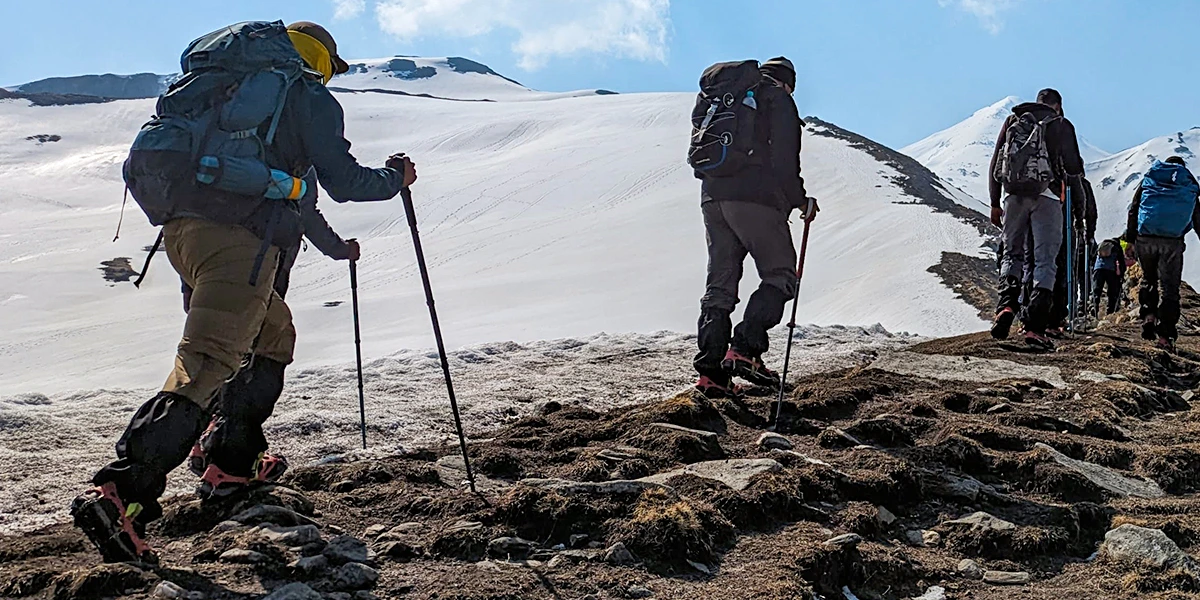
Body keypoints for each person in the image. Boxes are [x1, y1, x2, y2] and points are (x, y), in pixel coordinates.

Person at [71, 20, 417, 564]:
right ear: (321, 60)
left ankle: (231, 459)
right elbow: (345, 182)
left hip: (183, 235)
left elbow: (298, 200)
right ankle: (122, 492)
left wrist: (333, 248)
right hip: (239, 244)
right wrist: (396, 179)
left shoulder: (232, 101)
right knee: (208, 363)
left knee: (273, 336)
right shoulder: (304, 95)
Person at [182, 172, 361, 486]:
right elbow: (306, 213)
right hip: (260, 271)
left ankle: (207, 443)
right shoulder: (293, 150)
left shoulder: (231, 145)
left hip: (208, 265)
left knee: (221, 351)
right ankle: (234, 463)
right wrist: (339, 249)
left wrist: (189, 284)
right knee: (260, 355)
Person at [692, 57, 816, 398]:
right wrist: (800, 200)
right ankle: (744, 349)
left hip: (713, 197)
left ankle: (711, 374)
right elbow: (784, 159)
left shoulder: (727, 97)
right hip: (757, 200)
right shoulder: (778, 99)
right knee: (780, 275)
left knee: (719, 287)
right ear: (787, 82)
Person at [988, 88, 1086, 350]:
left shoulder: (1014, 120)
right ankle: (1034, 328)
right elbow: (1075, 168)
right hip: (1048, 197)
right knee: (1044, 261)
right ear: (1058, 105)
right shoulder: (1060, 124)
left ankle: (1007, 305)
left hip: (1012, 196)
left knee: (1012, 254)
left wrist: (994, 203)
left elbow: (996, 161)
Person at [1125, 156, 1200, 352]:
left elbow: (1134, 209)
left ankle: (1149, 315)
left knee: (1148, 278)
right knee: (1170, 289)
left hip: (1145, 239)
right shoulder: (1185, 185)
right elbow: (1196, 214)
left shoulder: (1151, 180)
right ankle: (1165, 337)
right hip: (1172, 243)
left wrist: (1130, 240)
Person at [1092, 235, 1127, 316]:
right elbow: (1121, 262)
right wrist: (1121, 274)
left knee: (1097, 289)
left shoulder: (1101, 244)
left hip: (1098, 268)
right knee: (1112, 291)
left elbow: (1093, 257)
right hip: (1110, 270)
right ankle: (1111, 310)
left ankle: (1094, 306)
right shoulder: (1117, 247)